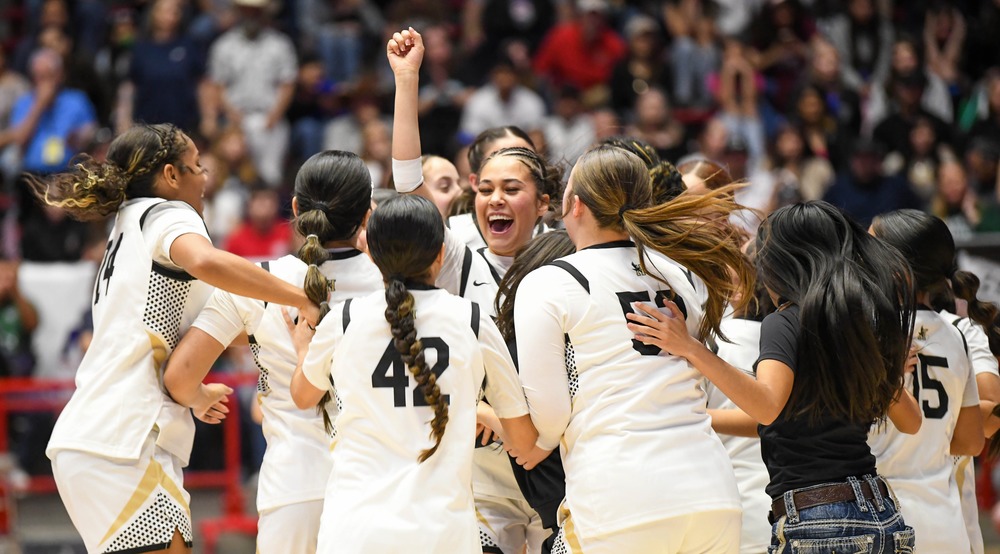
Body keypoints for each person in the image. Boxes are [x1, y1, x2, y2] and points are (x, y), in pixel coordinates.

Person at [32, 123, 318, 554]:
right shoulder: (169, 213)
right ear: (170, 175)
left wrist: (195, 392)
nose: (204, 176)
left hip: (99, 437)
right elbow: (207, 262)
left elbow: (171, 332)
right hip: (124, 442)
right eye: (196, 166)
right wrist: (303, 297)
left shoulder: (127, 225)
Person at [627, 201, 920, 553]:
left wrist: (690, 347)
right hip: (880, 512)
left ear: (781, 263)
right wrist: (699, 415)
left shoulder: (783, 321)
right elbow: (910, 421)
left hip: (820, 518)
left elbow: (767, 405)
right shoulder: (856, 323)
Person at [512, 145, 754, 552]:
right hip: (710, 491)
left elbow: (550, 414)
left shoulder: (549, 282)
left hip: (622, 493)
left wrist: (535, 446)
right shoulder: (682, 272)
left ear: (576, 205)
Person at [289, 194, 538, 553]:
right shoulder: (472, 319)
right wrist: (477, 411)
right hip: (443, 533)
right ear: (440, 253)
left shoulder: (343, 319)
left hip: (354, 530)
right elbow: (524, 440)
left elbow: (303, 396)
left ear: (371, 254)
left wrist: (301, 351)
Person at [388, 27, 556, 552]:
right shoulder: (458, 245)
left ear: (544, 201)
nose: (495, 200)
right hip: (480, 469)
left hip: (556, 456)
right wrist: (408, 81)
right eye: (485, 189)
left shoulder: (568, 254)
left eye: (511, 188)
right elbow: (408, 189)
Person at [163, 150, 382, 554]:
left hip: (293, 489)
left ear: (296, 209)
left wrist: (200, 398)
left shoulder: (257, 282)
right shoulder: (395, 287)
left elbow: (179, 378)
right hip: (378, 489)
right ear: (368, 214)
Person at [870, 209, 994, 553]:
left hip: (881, 517)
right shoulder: (958, 335)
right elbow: (971, 441)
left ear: (895, 266)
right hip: (945, 519)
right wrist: (926, 444)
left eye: (870, 247)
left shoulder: (868, 330)